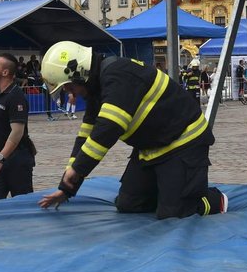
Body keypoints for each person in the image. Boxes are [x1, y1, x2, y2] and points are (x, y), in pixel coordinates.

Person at [37, 41, 227, 218]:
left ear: (79, 73)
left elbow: (108, 128)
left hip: (183, 144)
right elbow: (86, 135)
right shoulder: (97, 88)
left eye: (70, 87)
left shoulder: (118, 76)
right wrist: (67, 187)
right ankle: (169, 191)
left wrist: (78, 169)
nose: (72, 94)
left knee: (173, 212)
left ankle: (212, 199)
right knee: (128, 204)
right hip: (151, 148)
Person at [0, 53, 36, 203]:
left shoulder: (15, 96)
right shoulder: (1, 94)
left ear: (5, 72)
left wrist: (0, 158)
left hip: (17, 160)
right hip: (0, 157)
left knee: (22, 205)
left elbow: (17, 132)